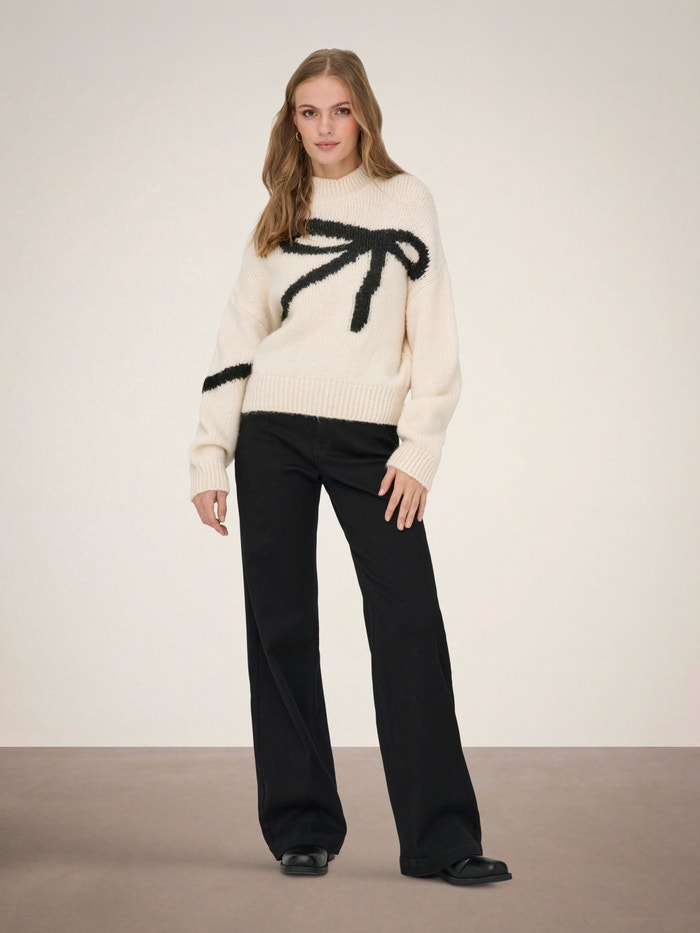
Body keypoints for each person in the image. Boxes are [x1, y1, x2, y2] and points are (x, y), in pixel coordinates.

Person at [189, 48, 511, 886]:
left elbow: (434, 334)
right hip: (273, 434)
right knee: (281, 626)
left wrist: (420, 445)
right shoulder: (279, 213)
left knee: (409, 624)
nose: (325, 127)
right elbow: (238, 335)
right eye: (309, 112)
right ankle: (302, 826)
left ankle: (442, 840)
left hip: (373, 441)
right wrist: (210, 453)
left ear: (363, 113)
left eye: (339, 109)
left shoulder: (407, 200)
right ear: (291, 121)